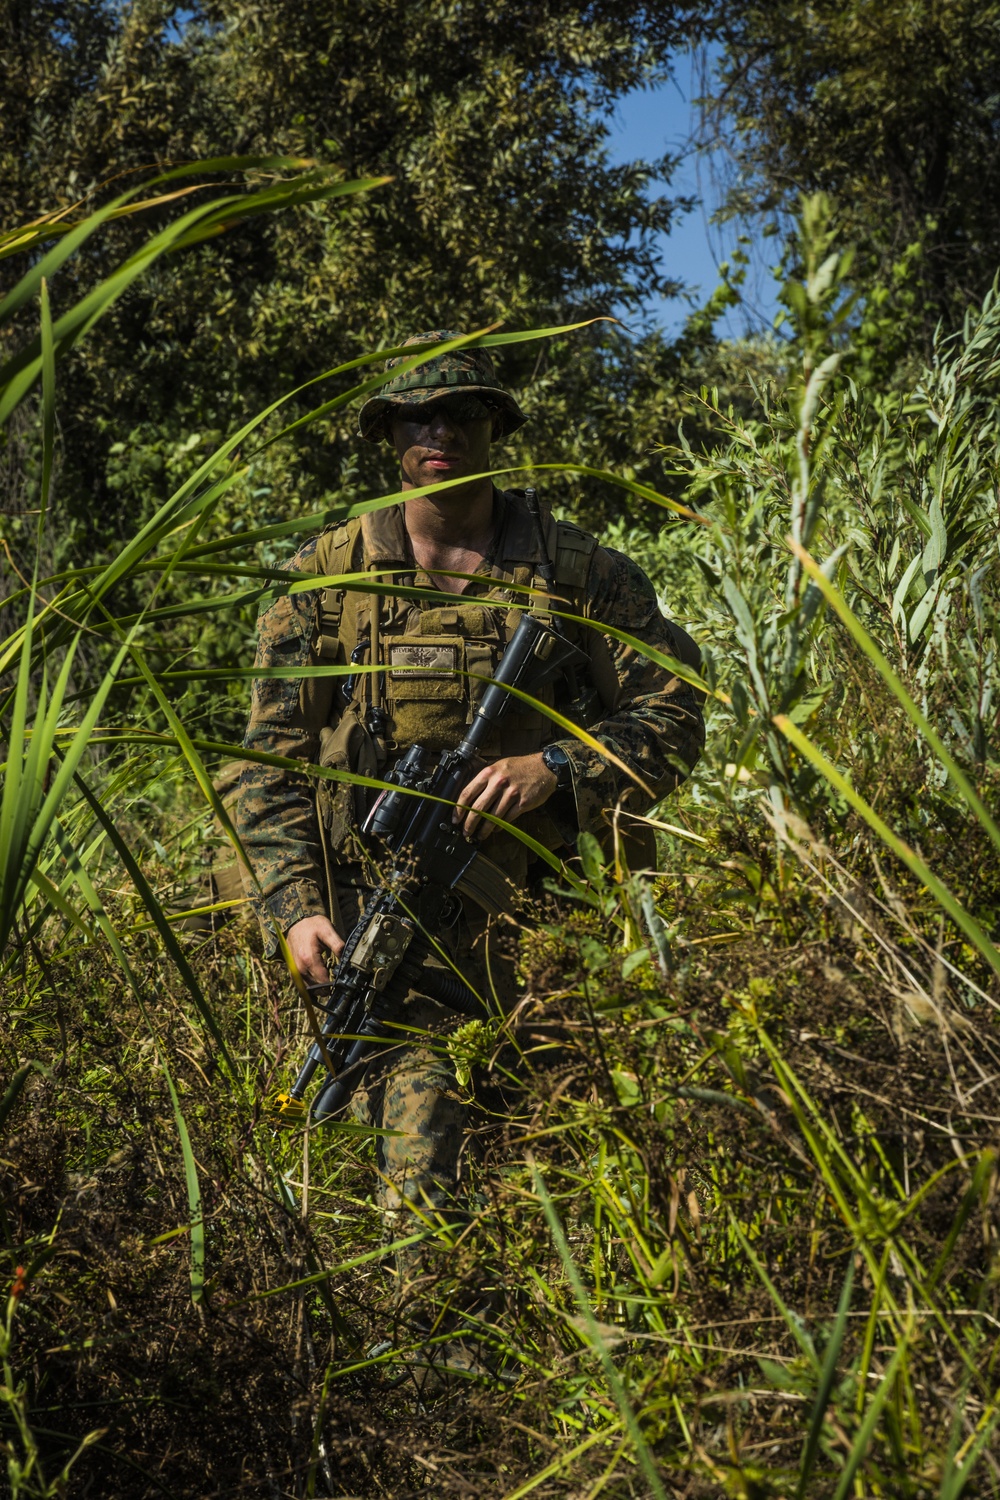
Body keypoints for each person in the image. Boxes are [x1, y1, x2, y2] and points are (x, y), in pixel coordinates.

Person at [236, 331, 705, 1311]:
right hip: (386, 928)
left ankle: (578, 1361)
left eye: (461, 415)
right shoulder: (324, 584)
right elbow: (266, 771)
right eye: (416, 418)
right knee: (414, 1163)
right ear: (388, 437)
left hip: (552, 929)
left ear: (496, 428)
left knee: (584, 1169)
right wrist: (291, 909)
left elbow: (673, 711)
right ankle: (423, 1369)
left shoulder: (578, 573)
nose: (439, 433)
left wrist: (554, 768)